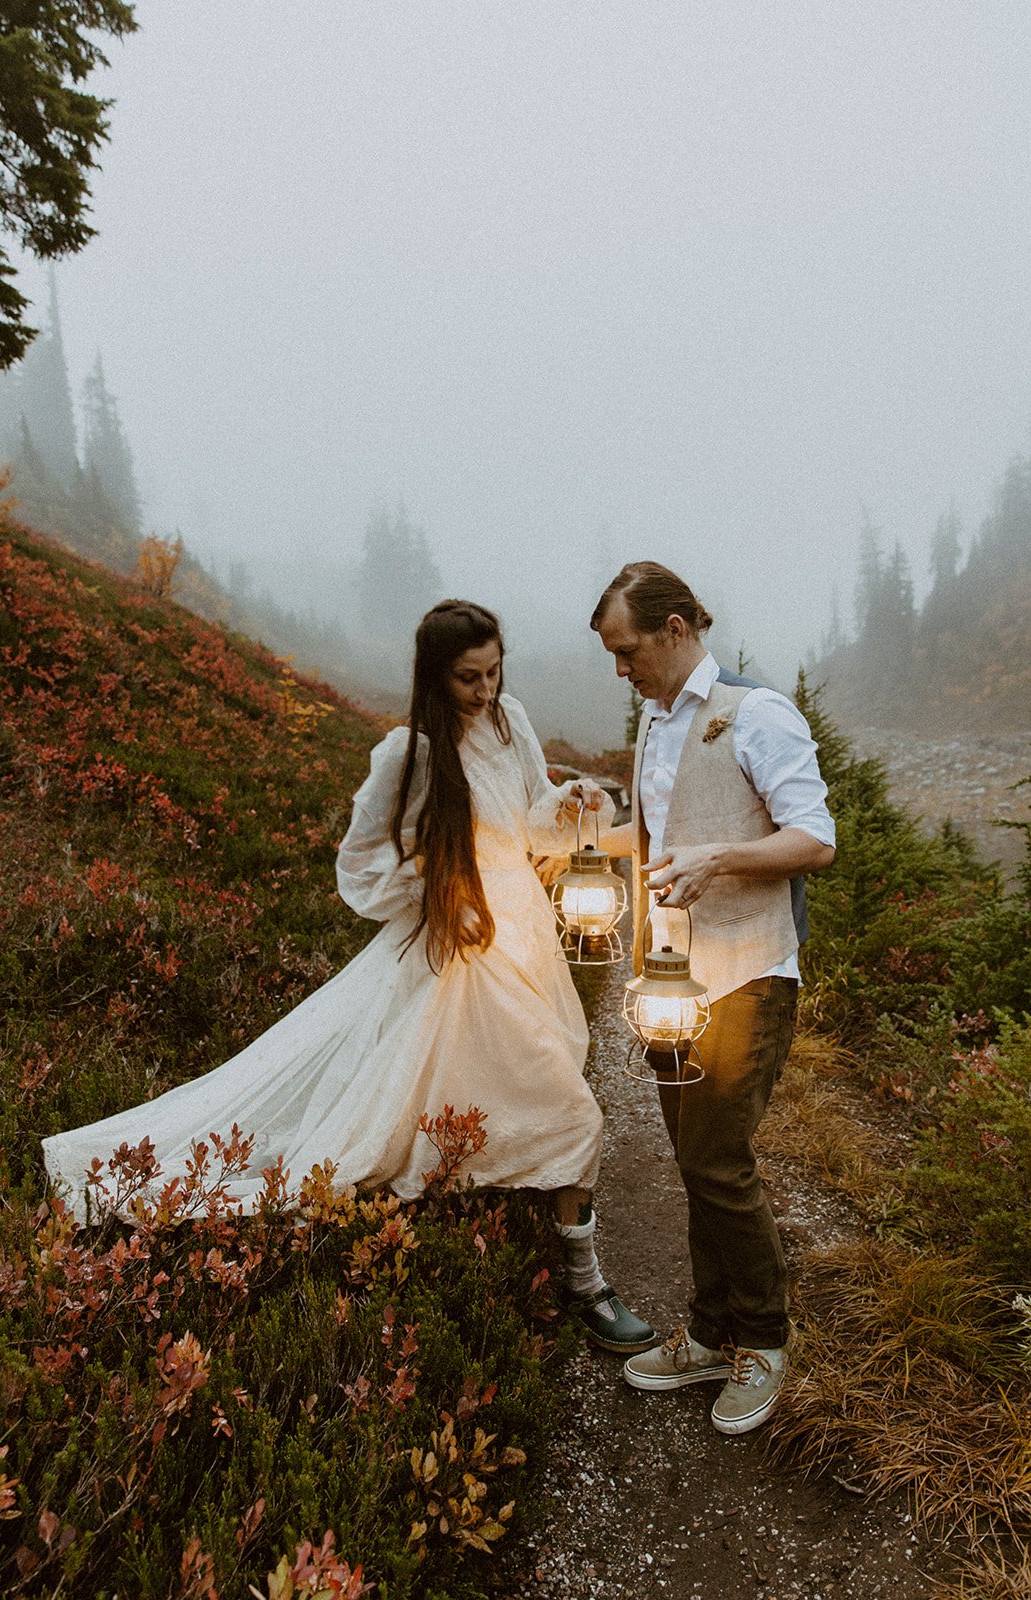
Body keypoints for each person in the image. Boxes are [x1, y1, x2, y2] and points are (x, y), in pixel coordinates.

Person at [42, 599, 654, 1354]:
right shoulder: (411, 753)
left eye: (495, 672)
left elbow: (526, 822)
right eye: (469, 678)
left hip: (522, 931)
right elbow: (360, 864)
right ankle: (585, 1281)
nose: (486, 691)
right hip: (461, 946)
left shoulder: (511, 721)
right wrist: (438, 898)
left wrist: (567, 805)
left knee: (502, 1089)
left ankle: (517, 1227)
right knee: (565, 1107)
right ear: (435, 677)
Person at [589, 562, 835, 1434]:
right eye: (613, 657)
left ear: (678, 627)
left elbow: (814, 840)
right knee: (694, 1164)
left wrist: (721, 859)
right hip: (668, 984)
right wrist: (588, 831)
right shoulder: (656, 722)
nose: (621, 670)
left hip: (748, 974)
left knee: (718, 1164)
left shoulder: (756, 714)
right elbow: (669, 833)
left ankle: (763, 1341)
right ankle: (710, 1332)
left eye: (627, 651)